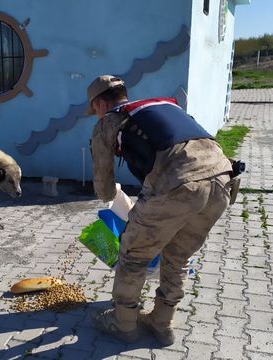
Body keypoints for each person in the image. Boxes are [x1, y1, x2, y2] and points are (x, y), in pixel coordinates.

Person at [87, 75, 237, 345]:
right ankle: (162, 323)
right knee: (177, 257)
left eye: (93, 109)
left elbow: (105, 191)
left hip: (178, 186)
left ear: (99, 103)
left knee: (133, 256)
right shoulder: (165, 106)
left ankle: (123, 324)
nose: (94, 115)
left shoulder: (108, 122)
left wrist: (120, 202)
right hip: (222, 180)